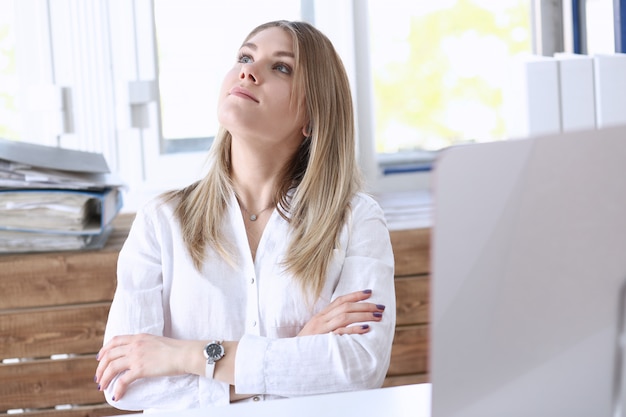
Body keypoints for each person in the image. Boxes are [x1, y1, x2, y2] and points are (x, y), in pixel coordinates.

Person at [94, 20, 396, 412]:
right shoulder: (160, 221)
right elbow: (122, 383)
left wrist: (186, 356)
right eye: (245, 56)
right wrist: (296, 353)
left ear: (312, 115)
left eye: (281, 67)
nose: (248, 71)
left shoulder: (356, 220)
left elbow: (360, 366)